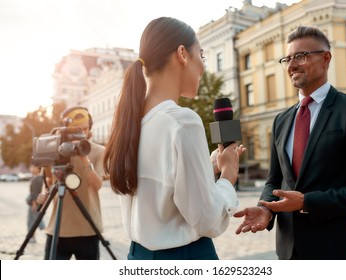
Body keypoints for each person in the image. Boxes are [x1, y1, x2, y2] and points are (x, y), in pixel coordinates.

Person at [234, 25, 346, 260]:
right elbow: (274, 180)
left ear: (325, 58)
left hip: (340, 251)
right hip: (289, 253)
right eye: (287, 58)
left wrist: (308, 202)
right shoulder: (281, 120)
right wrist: (266, 208)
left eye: (301, 56)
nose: (291, 65)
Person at [103, 17, 246, 260]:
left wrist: (207, 165)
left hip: (138, 255)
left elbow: (161, 183)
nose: (203, 66)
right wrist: (228, 175)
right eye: (201, 55)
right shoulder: (182, 121)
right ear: (182, 53)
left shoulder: (129, 123)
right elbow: (208, 219)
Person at [37, 106, 106, 259]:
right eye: (77, 129)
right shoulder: (54, 149)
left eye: (85, 129)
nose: (82, 133)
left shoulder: (99, 151)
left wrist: (84, 156)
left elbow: (98, 184)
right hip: (58, 229)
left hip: (88, 229)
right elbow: (48, 179)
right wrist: (44, 193)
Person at [26, 164, 45, 243]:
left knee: (32, 221)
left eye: (34, 167)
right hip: (36, 203)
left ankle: (47, 233)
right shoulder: (37, 178)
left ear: (38, 168)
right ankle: (33, 237)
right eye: (31, 167)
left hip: (34, 204)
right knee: (35, 221)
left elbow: (35, 193)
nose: (32, 169)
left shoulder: (37, 179)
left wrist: (34, 204)